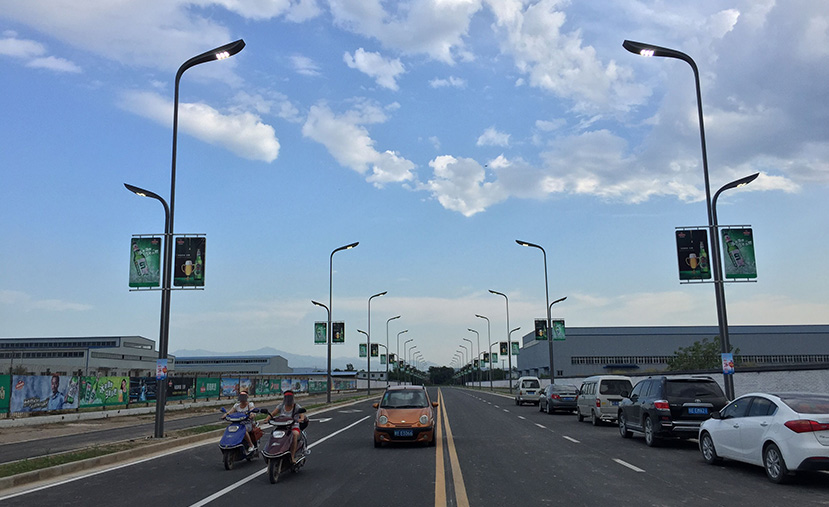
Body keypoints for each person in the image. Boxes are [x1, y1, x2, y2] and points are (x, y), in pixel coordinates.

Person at [265, 390, 307, 463]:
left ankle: (292, 456)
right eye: (287, 397)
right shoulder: (281, 406)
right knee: (273, 435)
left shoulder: (296, 406)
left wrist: (301, 419)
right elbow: (273, 413)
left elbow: (301, 415)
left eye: (289, 398)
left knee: (294, 435)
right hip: (281, 426)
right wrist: (267, 419)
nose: (288, 400)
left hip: (293, 426)